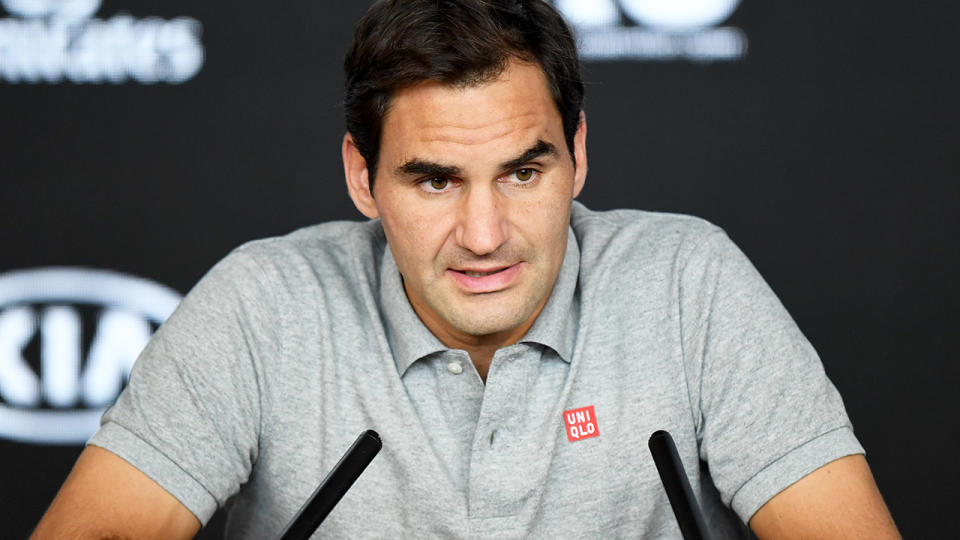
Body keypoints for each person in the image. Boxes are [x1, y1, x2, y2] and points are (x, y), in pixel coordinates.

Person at [32, 1, 900, 538]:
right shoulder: (264, 303)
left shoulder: (689, 283)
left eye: (525, 172)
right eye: (435, 179)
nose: (485, 234)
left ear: (579, 156)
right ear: (360, 178)